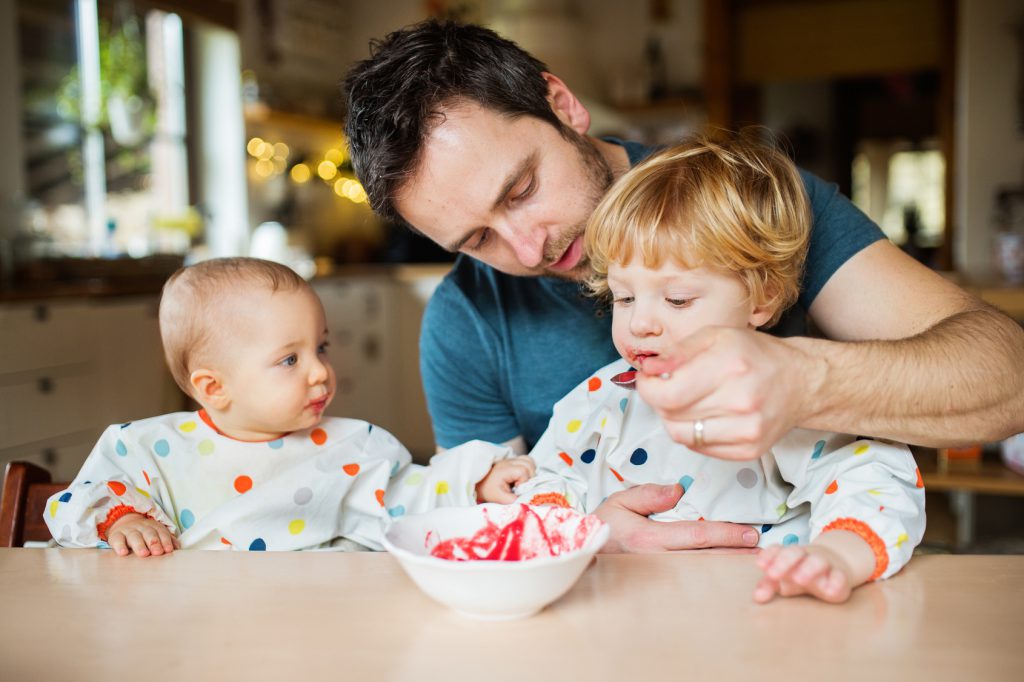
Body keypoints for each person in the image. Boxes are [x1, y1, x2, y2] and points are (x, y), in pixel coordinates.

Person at [343, 20, 1024, 552]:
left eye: (521, 190)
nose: (528, 247)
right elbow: (500, 536)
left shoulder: (749, 206)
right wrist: (591, 538)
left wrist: (807, 380)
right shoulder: (466, 321)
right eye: (476, 241)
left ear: (562, 104)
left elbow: (1008, 383)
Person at [513, 132, 925, 603]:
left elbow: (872, 477)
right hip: (630, 625)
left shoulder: (778, 391)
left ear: (762, 298)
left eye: (677, 299)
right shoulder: (597, 398)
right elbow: (545, 480)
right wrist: (564, 526)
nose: (640, 322)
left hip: (761, 618)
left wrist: (838, 555)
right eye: (624, 297)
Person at [43, 257, 533, 557]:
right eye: (289, 359)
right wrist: (125, 521)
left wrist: (476, 482)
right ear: (214, 388)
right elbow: (80, 502)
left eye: (320, 348)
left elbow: (413, 495)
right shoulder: (147, 447)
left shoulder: (352, 447)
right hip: (189, 624)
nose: (320, 371)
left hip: (314, 620)